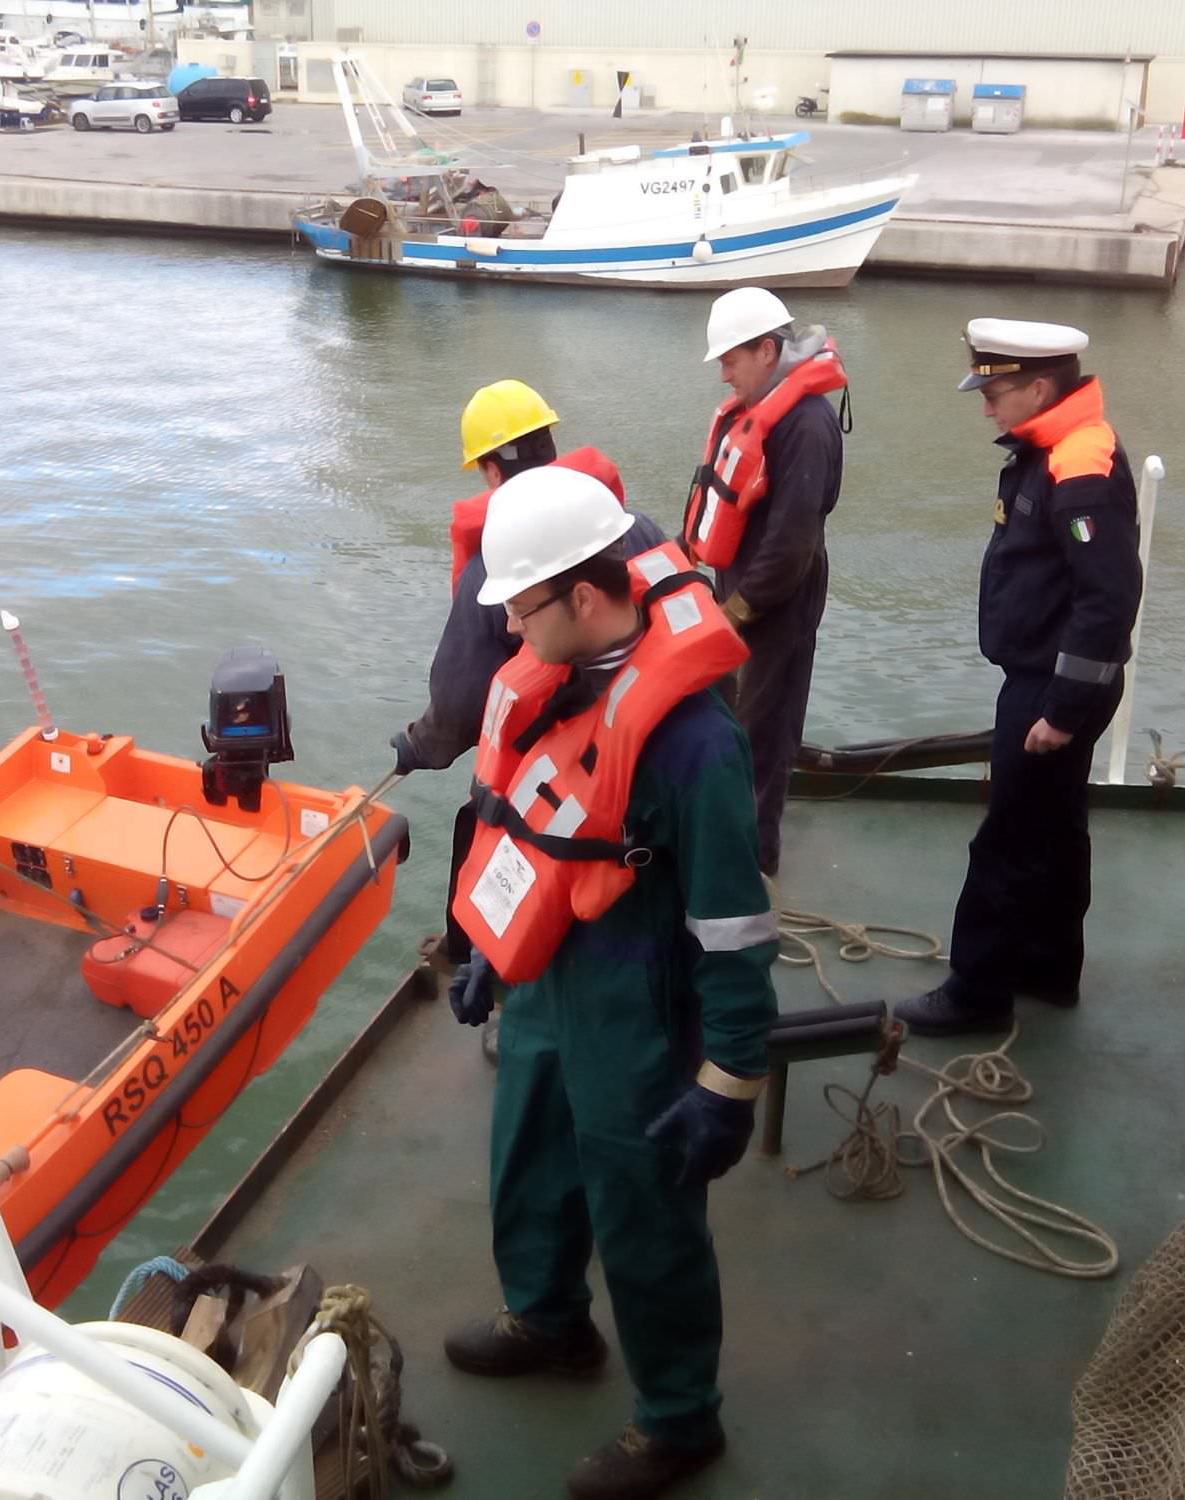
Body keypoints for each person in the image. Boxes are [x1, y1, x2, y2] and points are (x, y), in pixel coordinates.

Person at [443, 466, 778, 1499]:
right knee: (530, 1155)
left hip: (640, 999)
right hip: (550, 975)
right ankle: (548, 1319)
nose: (509, 629)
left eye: (522, 605)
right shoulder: (552, 688)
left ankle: (679, 1419)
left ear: (585, 599)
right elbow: (515, 822)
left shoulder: (692, 743)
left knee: (644, 1210)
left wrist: (725, 1085)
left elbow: (730, 931)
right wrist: (484, 952)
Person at [893, 319, 1143, 1037]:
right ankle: (1047, 966)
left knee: (1008, 837)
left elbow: (1107, 598)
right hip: (1054, 678)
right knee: (1057, 830)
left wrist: (1062, 709)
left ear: (1039, 388)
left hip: (1051, 685)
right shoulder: (1057, 448)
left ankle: (977, 990)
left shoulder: (1079, 465)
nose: (986, 406)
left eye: (995, 391)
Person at [389, 379, 665, 963]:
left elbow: (460, 704)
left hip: (555, 773)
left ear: (490, 471)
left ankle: (489, 976)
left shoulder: (497, 564)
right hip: (644, 747)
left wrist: (418, 746)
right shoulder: (624, 520)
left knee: (496, 845)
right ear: (548, 444)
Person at [682, 286, 847, 880]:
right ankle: (732, 843)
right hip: (741, 596)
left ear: (767, 351)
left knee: (765, 728)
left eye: (730, 359)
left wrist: (736, 611)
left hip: (775, 604)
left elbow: (791, 544)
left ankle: (754, 862)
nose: (724, 374)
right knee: (734, 722)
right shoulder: (763, 409)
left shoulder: (805, 424)